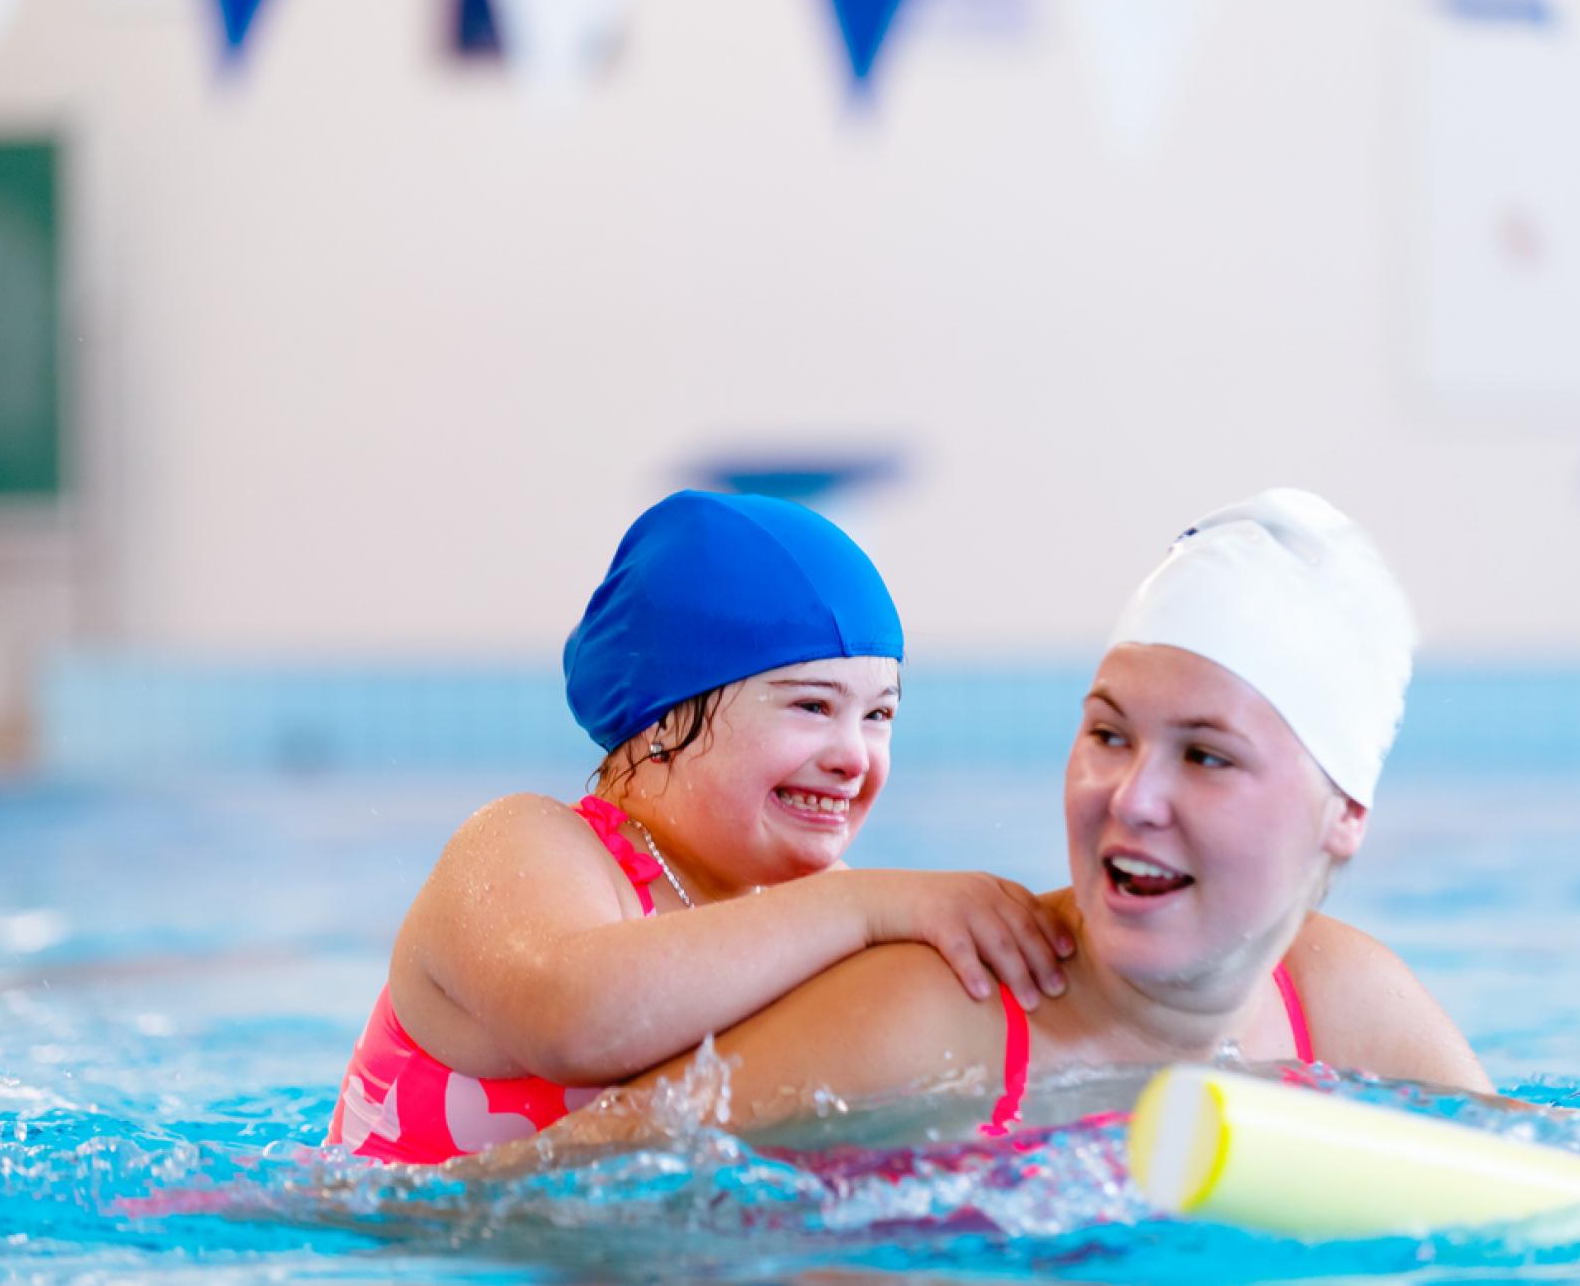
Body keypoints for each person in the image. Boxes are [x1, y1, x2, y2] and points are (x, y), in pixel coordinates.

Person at [531, 488, 1492, 1152]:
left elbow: (1579, 1196)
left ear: (1344, 819)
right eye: (1109, 737)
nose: (1133, 798)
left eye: (1206, 756)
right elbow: (534, 1195)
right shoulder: (928, 1016)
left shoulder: (1345, 1008)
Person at [327, 490, 1074, 1164]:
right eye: (812, 706)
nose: (854, 757)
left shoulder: (819, 909)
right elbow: (572, 1022)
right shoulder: (526, 846)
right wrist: (865, 908)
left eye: (879, 715)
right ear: (660, 719)